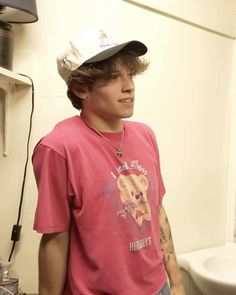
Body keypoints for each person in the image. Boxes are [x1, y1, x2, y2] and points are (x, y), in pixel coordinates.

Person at [32, 28, 185, 295]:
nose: (129, 86)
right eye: (113, 77)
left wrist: (177, 282)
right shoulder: (58, 147)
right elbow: (55, 237)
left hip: (158, 287)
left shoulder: (145, 135)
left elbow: (157, 210)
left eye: (130, 74)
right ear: (80, 88)